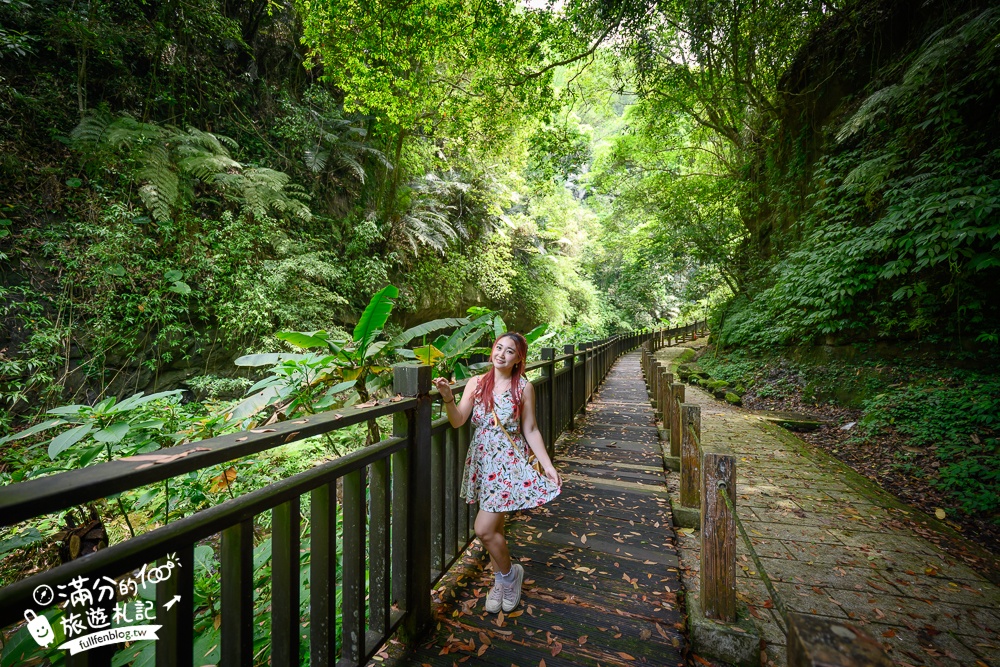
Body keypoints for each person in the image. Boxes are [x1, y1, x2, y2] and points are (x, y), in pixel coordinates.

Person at [432, 331, 561, 614]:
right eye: (498, 347)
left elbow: (531, 429)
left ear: (518, 359)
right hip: (482, 462)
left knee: (483, 528)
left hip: (508, 465)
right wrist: (447, 398)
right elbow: (458, 421)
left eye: (510, 351)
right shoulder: (476, 383)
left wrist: (548, 465)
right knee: (495, 528)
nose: (501, 354)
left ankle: (508, 576)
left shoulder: (523, 387)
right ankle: (501, 580)